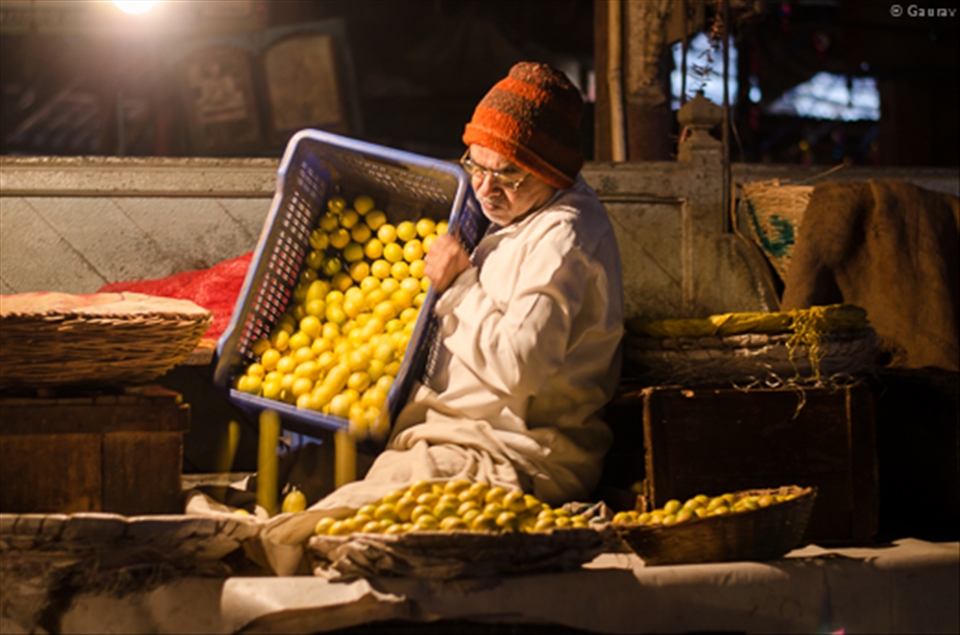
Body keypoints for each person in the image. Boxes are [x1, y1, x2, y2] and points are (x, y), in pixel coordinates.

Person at [308, 61, 624, 511]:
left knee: (336, 521)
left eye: (508, 174)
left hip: (513, 457)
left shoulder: (563, 240)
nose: (485, 189)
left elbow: (519, 368)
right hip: (447, 437)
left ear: (552, 174)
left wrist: (458, 286)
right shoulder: (518, 211)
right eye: (476, 165)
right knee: (302, 480)